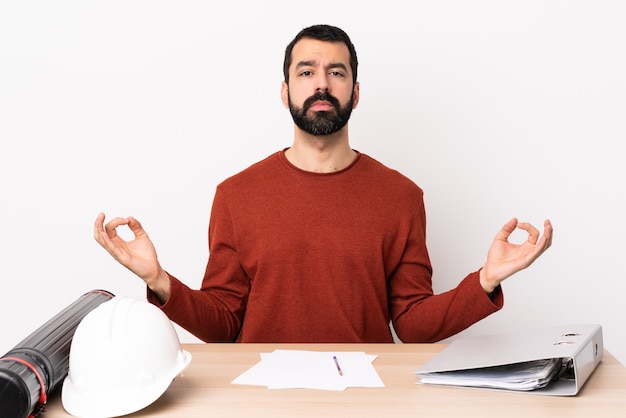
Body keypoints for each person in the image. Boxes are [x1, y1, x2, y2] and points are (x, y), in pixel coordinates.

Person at [94, 24, 552, 343]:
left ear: (355, 91)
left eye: (336, 72)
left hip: (366, 397)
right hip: (263, 398)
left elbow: (411, 324)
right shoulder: (234, 196)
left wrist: (486, 280)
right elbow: (225, 325)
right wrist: (158, 280)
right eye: (306, 71)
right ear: (284, 90)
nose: (322, 84)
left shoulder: (402, 197)